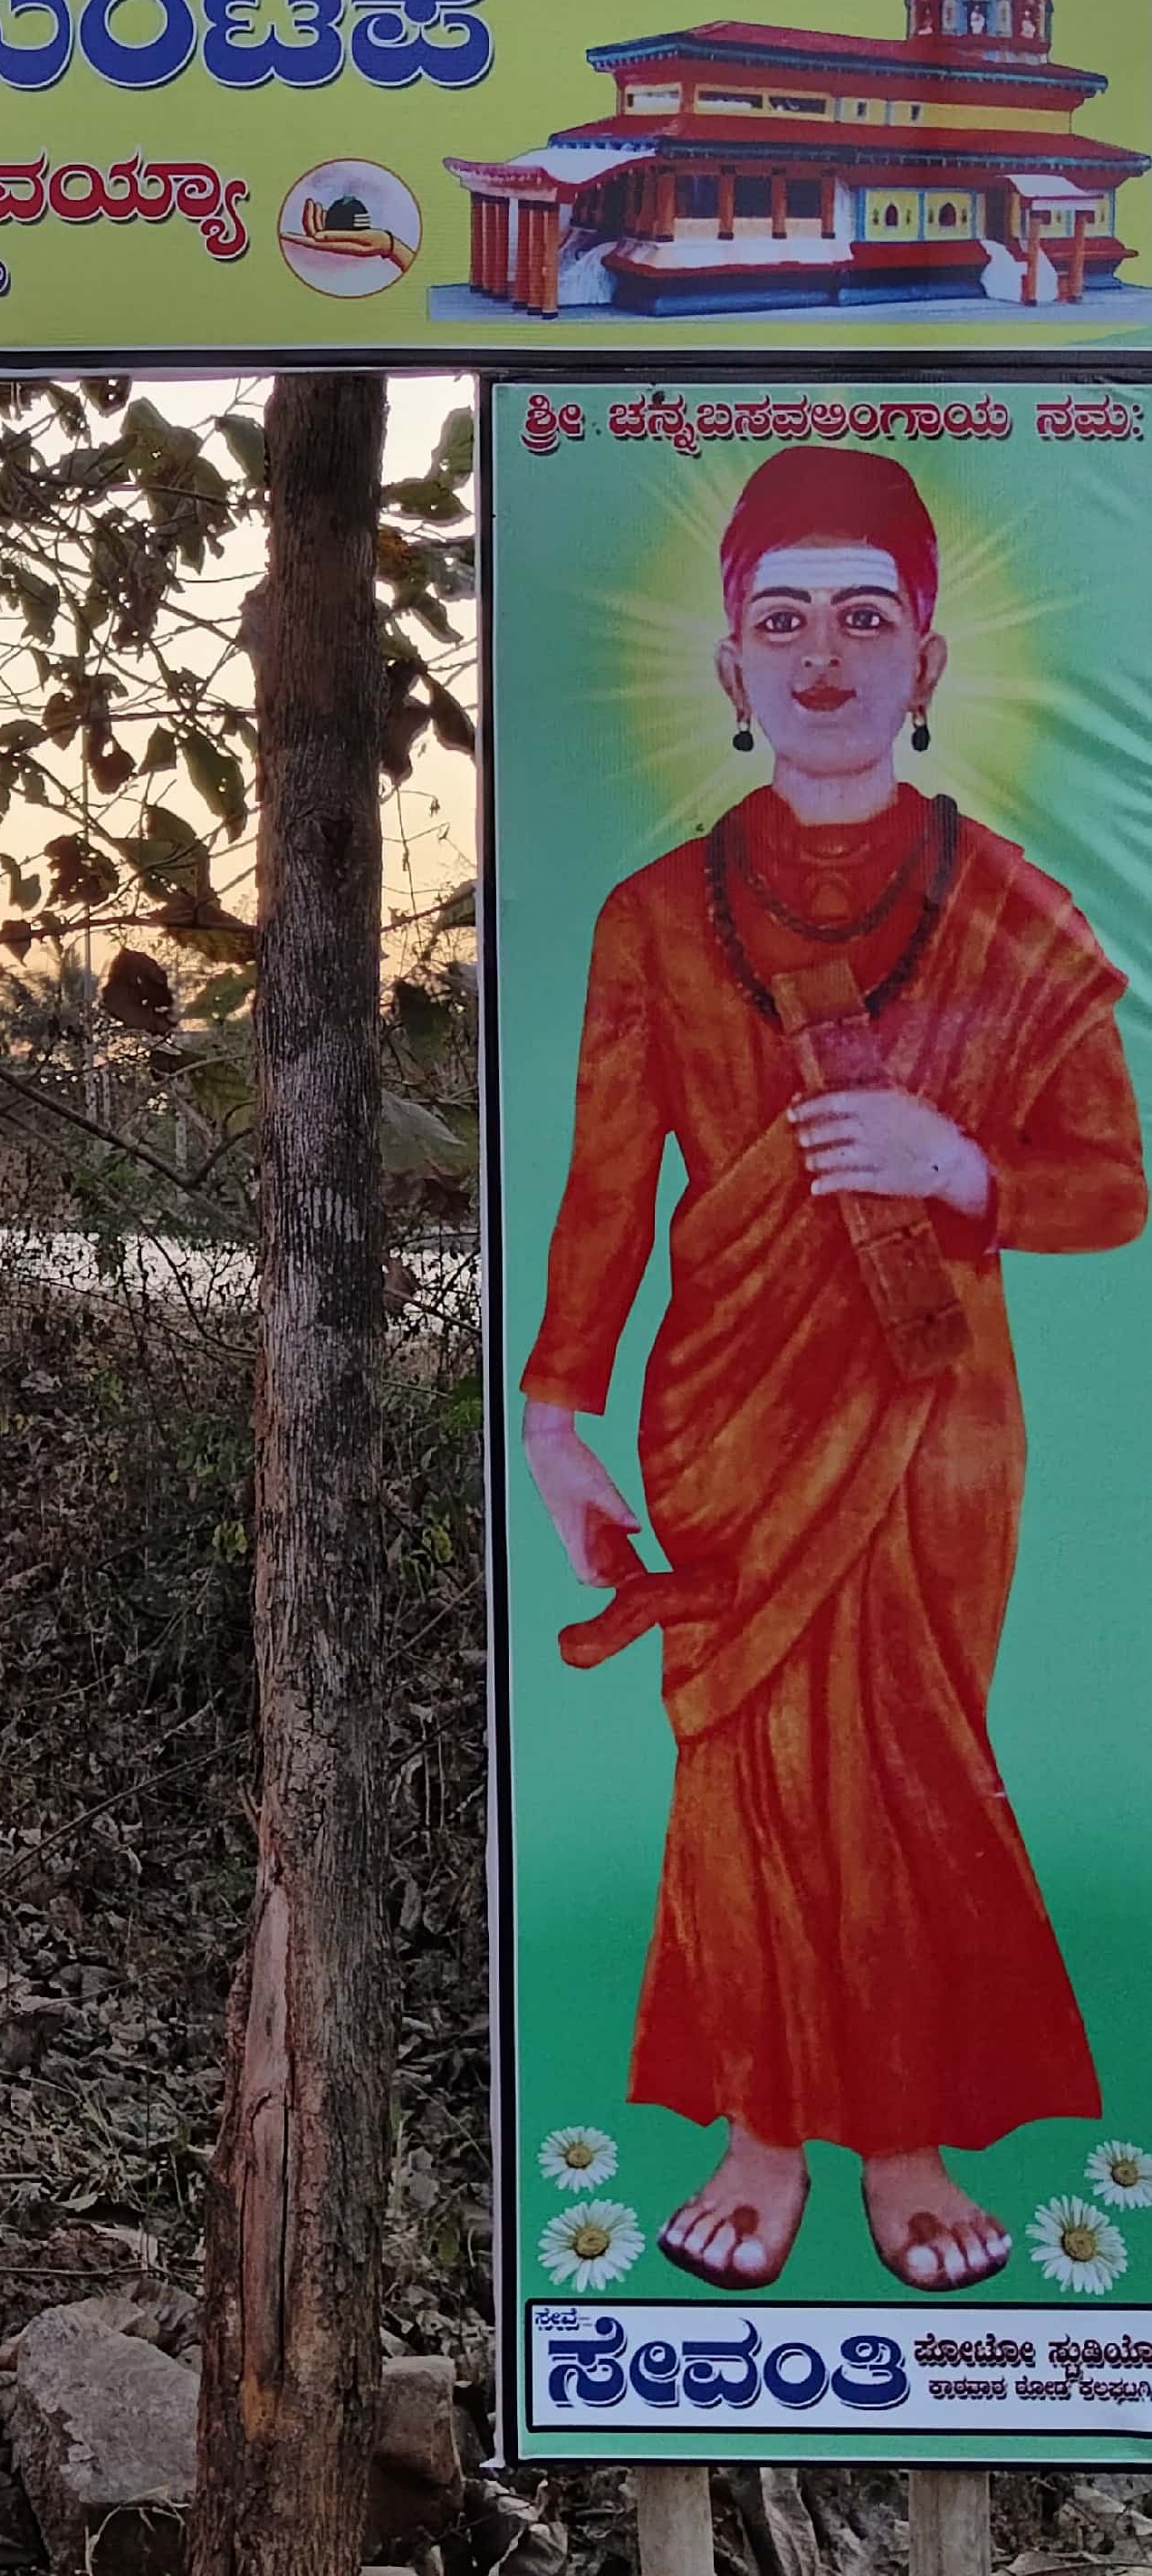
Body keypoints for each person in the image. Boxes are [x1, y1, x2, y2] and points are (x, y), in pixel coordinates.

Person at [521, 444, 1145, 2292]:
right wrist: (556, 1419)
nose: (817, 655)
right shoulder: (648, 914)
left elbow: (1111, 1185)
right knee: (740, 1768)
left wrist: (959, 1171)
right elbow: (600, 1189)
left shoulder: (1014, 906)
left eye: (858, 618)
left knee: (905, 1759)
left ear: (925, 659)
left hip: (929, 1415)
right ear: (721, 668)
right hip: (722, 1403)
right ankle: (758, 2128)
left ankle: (905, 2140)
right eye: (775, 621)